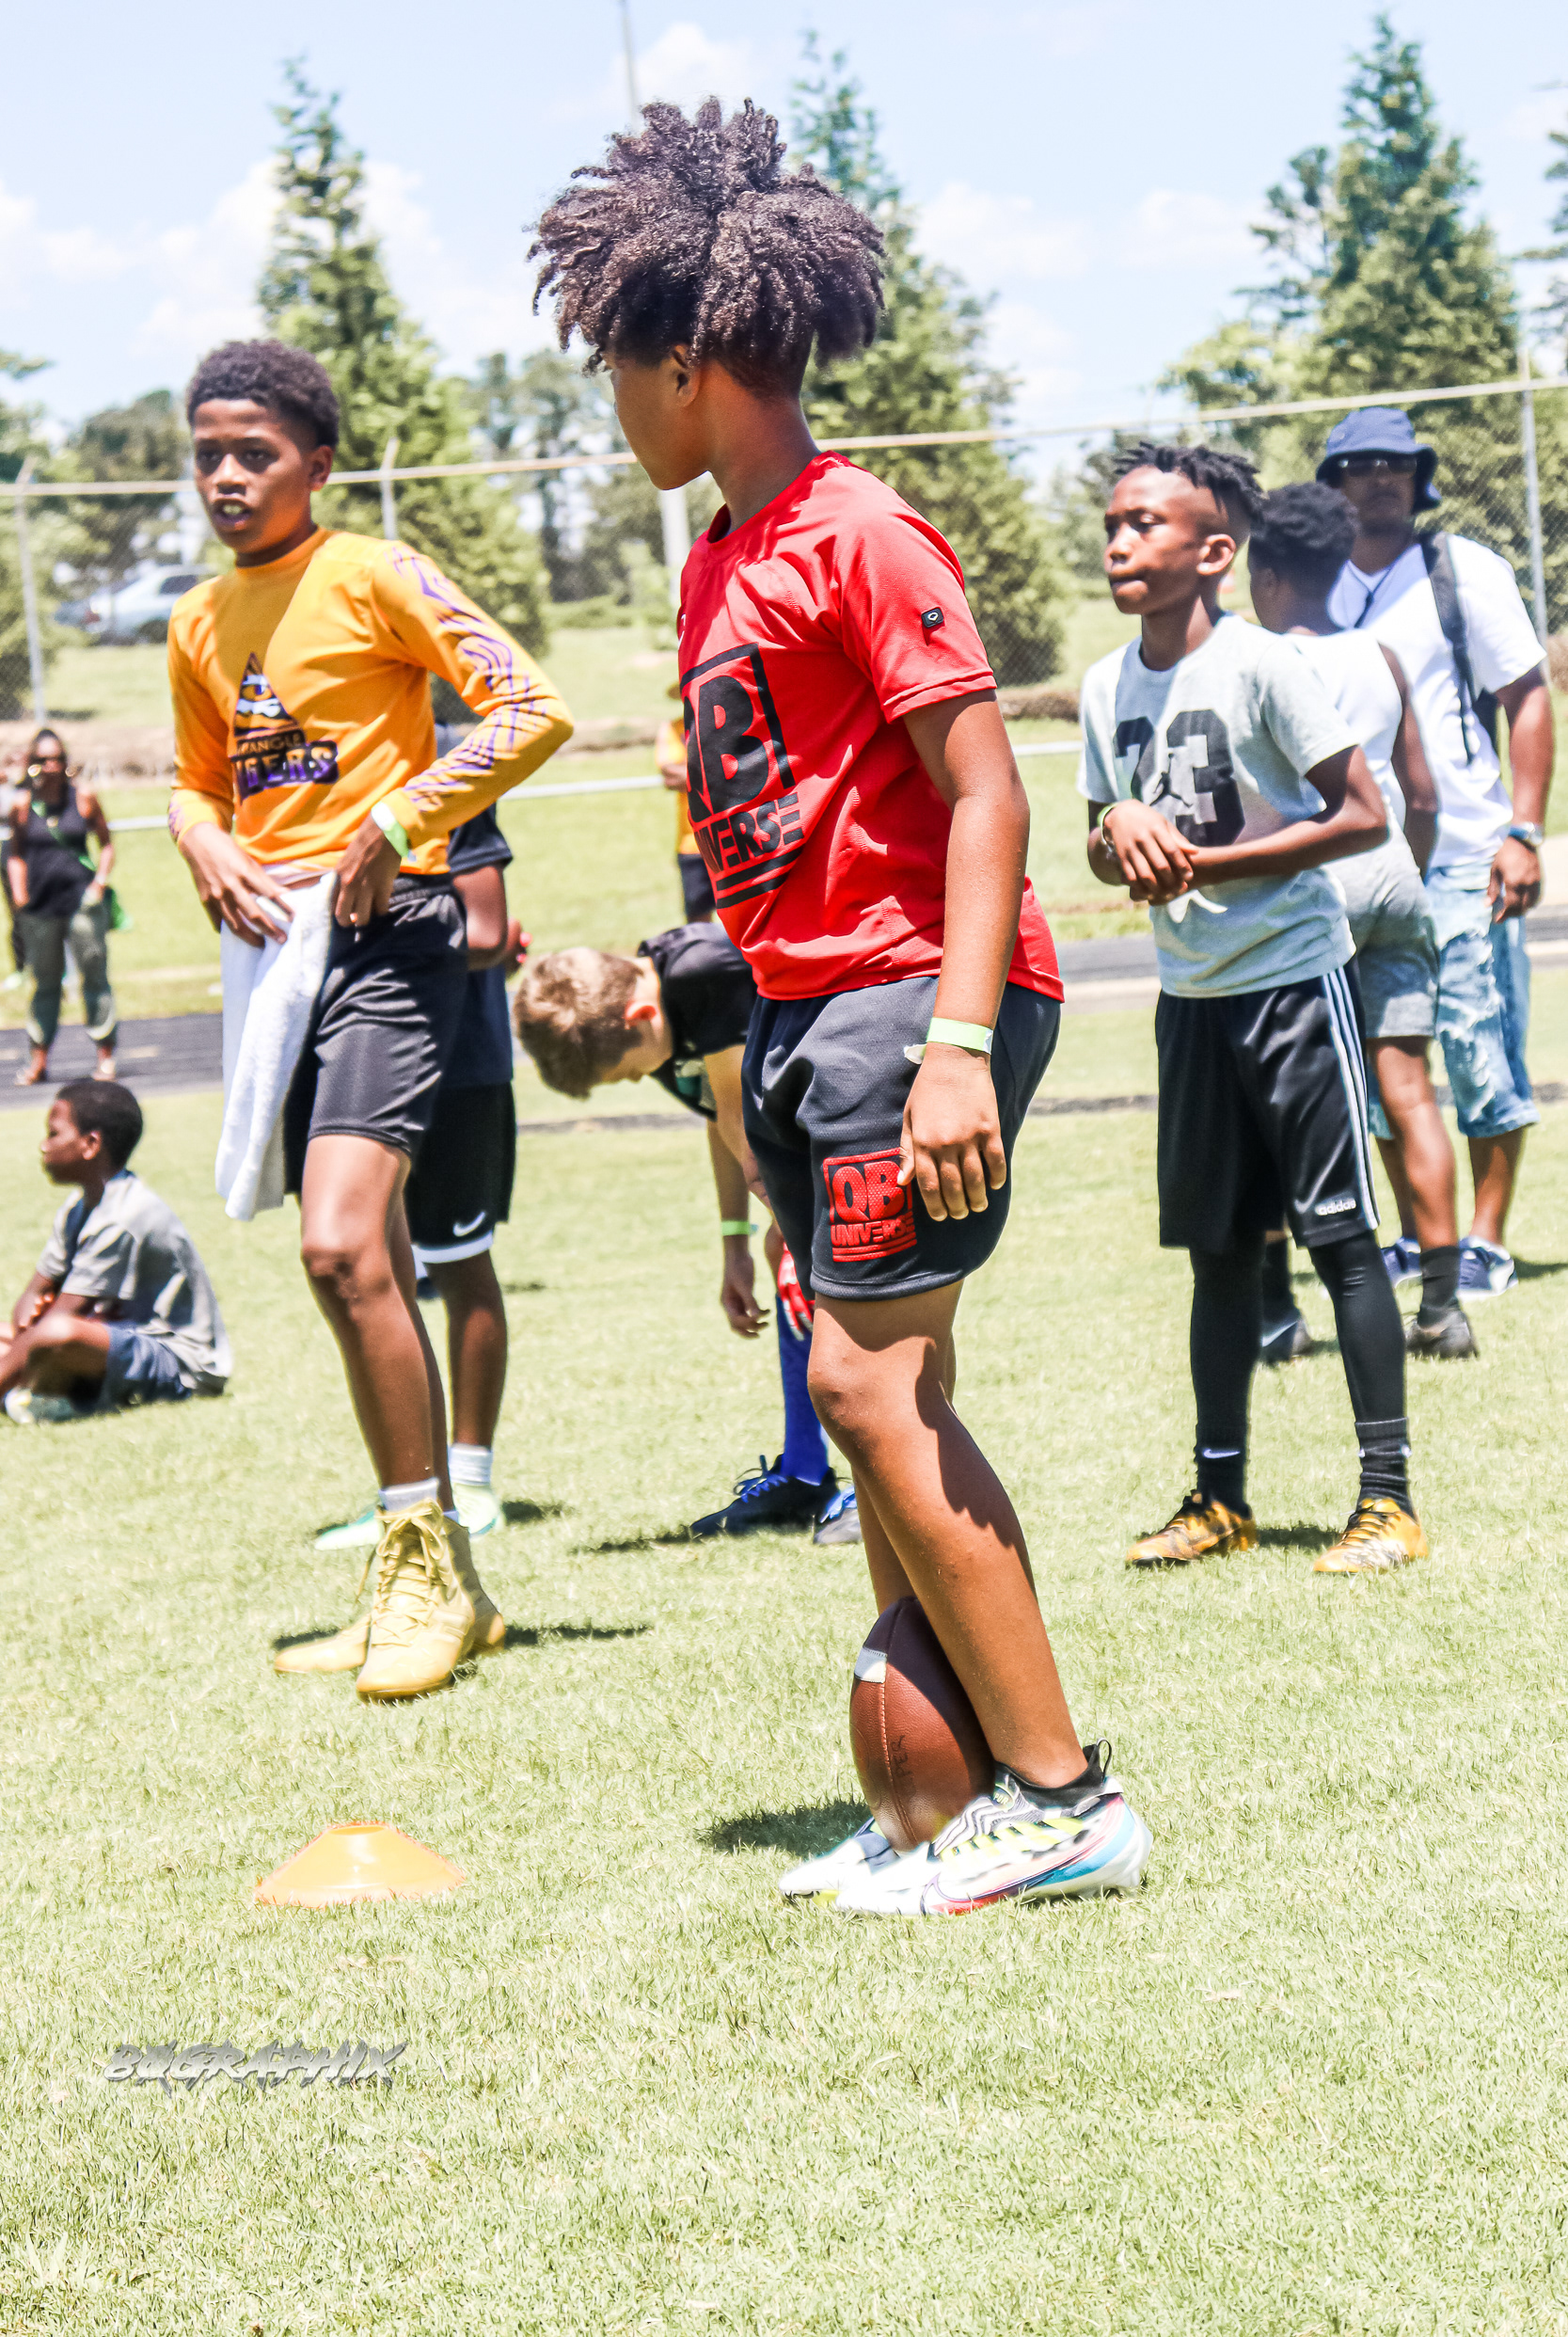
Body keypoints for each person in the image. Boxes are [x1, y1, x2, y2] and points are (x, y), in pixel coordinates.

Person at [533, 96, 1151, 1917]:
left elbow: (988, 793)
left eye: (615, 368)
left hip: (911, 1002)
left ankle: (1061, 1797)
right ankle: (947, 1800)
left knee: (865, 1384)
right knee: (873, 1383)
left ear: (692, 358)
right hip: (806, 1012)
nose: (611, 406)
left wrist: (953, 1046)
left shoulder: (861, 533)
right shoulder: (715, 560)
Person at [166, 338, 573, 1700]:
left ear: (319, 464)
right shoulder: (195, 621)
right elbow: (197, 780)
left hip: (395, 937)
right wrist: (197, 837)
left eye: (255, 453)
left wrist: (403, 822)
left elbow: (531, 708)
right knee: (367, 1260)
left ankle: (420, 1569)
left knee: (341, 1247)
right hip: (277, 958)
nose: (227, 477)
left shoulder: (375, 572)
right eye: (208, 454)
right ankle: (436, 1572)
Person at [1079, 440, 1427, 1577]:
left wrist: (1207, 864)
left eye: (1145, 523)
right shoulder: (1102, 685)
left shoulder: (1261, 665)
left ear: (1213, 552)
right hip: (1188, 998)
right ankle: (1217, 1496)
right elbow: (1101, 838)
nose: (1119, 541)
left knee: (1338, 1238)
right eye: (1112, 523)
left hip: (1291, 981)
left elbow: (1362, 814)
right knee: (1217, 1251)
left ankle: (1386, 1501)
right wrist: (1114, 832)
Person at [513, 924, 863, 1546]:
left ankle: (876, 1483)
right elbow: (719, 1112)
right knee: (789, 1266)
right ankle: (806, 1474)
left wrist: (787, 1226)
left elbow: (735, 1108)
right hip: (790, 1137)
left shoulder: (703, 972)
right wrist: (735, 1244)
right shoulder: (639, 1003)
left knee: (844, 1276)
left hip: (860, 1099)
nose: (634, 1082)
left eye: (627, 1074)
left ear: (641, 1014)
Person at [1319, 406, 1555, 1299]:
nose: (1380, 477)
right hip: (1357, 864)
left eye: (1397, 463)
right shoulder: (1310, 583)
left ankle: (1485, 1241)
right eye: (1360, 465)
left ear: (1419, 478)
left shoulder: (1461, 571)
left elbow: (1526, 696)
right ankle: (1423, 1239)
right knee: (1385, 1060)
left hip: (1465, 855)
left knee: (1478, 1045)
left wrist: (1521, 831)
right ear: (1333, 483)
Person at [1248, 484, 1474, 1360]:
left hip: (1308, 888)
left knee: (1275, 1104)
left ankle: (1276, 1312)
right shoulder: (1380, 654)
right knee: (1409, 1091)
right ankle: (1443, 1308)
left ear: (1265, 576)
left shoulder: (1255, 662)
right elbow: (1421, 794)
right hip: (1392, 877)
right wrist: (1401, 873)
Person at [313, 795, 527, 1553]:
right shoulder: (330, 794)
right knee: (379, 1268)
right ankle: (416, 1489)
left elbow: (489, 931)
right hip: (368, 1064)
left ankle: (470, 1476)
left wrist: (362, 944)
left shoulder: (449, 788)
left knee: (461, 1263)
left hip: (460, 1065)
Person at [1, 1080, 230, 1424]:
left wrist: (35, 1330)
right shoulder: (77, 1208)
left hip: (178, 1363)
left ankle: (39, 1394)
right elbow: (32, 1300)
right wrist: (31, 1313)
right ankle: (31, 1393)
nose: (43, 1146)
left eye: (53, 1134)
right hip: (114, 1338)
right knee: (28, 1336)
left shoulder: (124, 1216)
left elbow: (57, 1322)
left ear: (90, 1144)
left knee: (56, 1334)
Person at [7, 729, 118, 1088]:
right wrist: (19, 895)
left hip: (80, 903)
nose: (50, 766)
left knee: (94, 977)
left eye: (56, 758)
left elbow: (106, 844)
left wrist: (99, 884)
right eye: (43, 760)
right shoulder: (22, 805)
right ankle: (38, 1061)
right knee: (45, 983)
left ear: (65, 761)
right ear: (32, 763)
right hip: (40, 907)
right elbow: (15, 854)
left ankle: (105, 1057)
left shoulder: (83, 798)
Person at [656, 681, 716, 921]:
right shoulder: (674, 728)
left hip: (738, 835)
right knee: (698, 920)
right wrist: (721, 772)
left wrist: (690, 770)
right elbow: (671, 776)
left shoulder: (726, 723)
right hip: (692, 842)